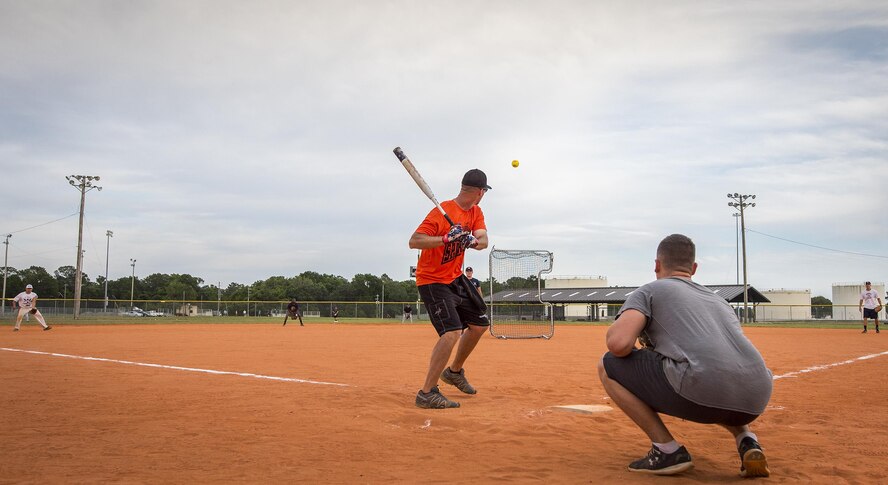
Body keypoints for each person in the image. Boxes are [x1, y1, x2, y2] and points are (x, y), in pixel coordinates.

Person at [598, 234, 771, 477]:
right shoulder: (719, 301)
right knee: (719, 377)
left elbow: (618, 345)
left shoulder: (650, 290)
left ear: (657, 265)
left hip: (701, 389)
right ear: (694, 268)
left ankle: (666, 450)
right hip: (756, 396)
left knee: (608, 365)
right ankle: (747, 439)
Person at [409, 168, 491, 409]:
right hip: (433, 280)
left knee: (479, 325)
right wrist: (446, 239)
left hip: (454, 278)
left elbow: (484, 241)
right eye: (484, 191)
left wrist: (471, 241)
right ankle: (426, 393)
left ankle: (454, 372)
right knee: (452, 332)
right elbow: (414, 240)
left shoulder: (475, 211)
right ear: (480, 192)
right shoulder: (440, 212)